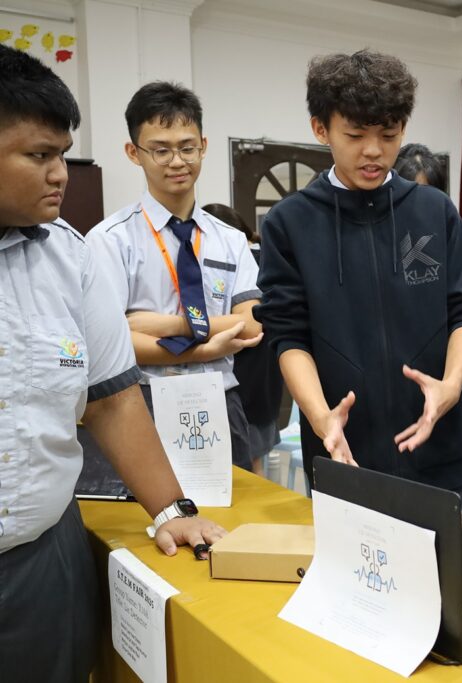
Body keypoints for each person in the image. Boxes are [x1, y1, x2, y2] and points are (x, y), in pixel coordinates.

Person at [0, 45, 224, 682]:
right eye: (39, 156)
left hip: (41, 563)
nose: (61, 174)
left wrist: (172, 511)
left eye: (63, 154)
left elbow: (112, 399)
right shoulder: (113, 238)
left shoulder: (69, 257)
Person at [254, 50, 462, 511]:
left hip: (438, 452)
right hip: (345, 455)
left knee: (448, 560)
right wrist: (321, 418)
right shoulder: (290, 223)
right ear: (321, 129)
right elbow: (288, 336)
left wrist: (451, 385)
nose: (374, 151)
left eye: (389, 134)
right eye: (355, 135)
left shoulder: (433, 211)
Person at [87, 82, 263, 472]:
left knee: (235, 508)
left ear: (203, 146)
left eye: (187, 147)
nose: (177, 161)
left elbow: (251, 325)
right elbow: (112, 343)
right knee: (152, 509)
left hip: (220, 399)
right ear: (133, 152)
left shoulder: (230, 240)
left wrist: (168, 325)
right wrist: (207, 347)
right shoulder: (110, 240)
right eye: (160, 150)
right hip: (143, 401)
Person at [202, 203, 284, 477]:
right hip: (267, 384)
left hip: (241, 383)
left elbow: (249, 326)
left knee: (242, 474)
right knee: (255, 469)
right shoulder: (270, 259)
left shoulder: (240, 263)